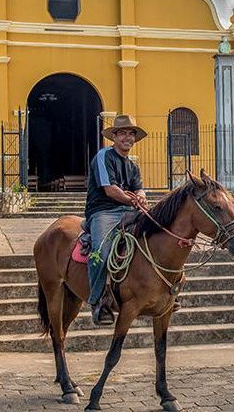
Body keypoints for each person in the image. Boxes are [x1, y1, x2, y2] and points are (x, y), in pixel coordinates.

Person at [85, 114, 148, 325]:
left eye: (131, 134)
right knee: (101, 252)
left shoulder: (132, 166)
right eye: (123, 133)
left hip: (129, 210)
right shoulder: (104, 156)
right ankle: (98, 302)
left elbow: (139, 188)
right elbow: (110, 190)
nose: (128, 138)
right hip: (104, 212)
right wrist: (133, 202)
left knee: (157, 236)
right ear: (114, 136)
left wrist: (140, 197)